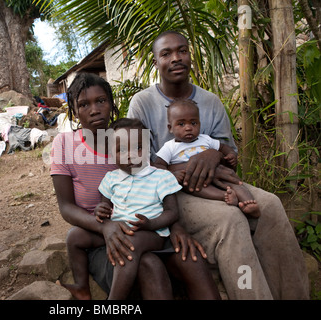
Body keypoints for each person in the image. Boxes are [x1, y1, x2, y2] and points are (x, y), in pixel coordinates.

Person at [127, 30, 309, 299]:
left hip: (216, 179)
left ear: (190, 56)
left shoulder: (210, 101)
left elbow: (229, 155)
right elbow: (137, 166)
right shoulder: (142, 103)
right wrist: (179, 171)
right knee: (230, 218)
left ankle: (295, 295)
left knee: (270, 205)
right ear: (156, 62)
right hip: (172, 194)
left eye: (182, 50)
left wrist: (214, 154)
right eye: (166, 53)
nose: (176, 58)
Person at [50, 72, 220, 300]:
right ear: (73, 109)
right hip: (101, 236)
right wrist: (106, 227)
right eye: (83, 104)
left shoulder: (130, 138)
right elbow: (66, 208)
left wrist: (176, 227)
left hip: (146, 226)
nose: (94, 109)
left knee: (190, 257)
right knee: (148, 264)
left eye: (101, 101)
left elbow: (155, 184)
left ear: (111, 103)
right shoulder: (64, 144)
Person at [61, 118, 183, 300]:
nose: (130, 155)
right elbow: (106, 211)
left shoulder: (161, 176)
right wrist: (100, 211)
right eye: (121, 150)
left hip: (151, 234)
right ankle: (81, 287)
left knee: (129, 245)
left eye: (138, 148)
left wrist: (150, 224)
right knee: (74, 236)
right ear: (112, 154)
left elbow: (173, 212)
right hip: (118, 230)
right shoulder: (111, 178)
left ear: (148, 148)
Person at [154, 99, 260, 218]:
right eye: (181, 124)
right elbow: (158, 165)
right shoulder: (170, 147)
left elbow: (224, 147)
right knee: (194, 187)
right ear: (170, 128)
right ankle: (224, 195)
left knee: (236, 184)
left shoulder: (206, 139)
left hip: (215, 172)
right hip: (192, 180)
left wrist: (231, 155)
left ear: (199, 123)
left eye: (193, 123)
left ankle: (250, 204)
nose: (188, 128)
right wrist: (172, 174)